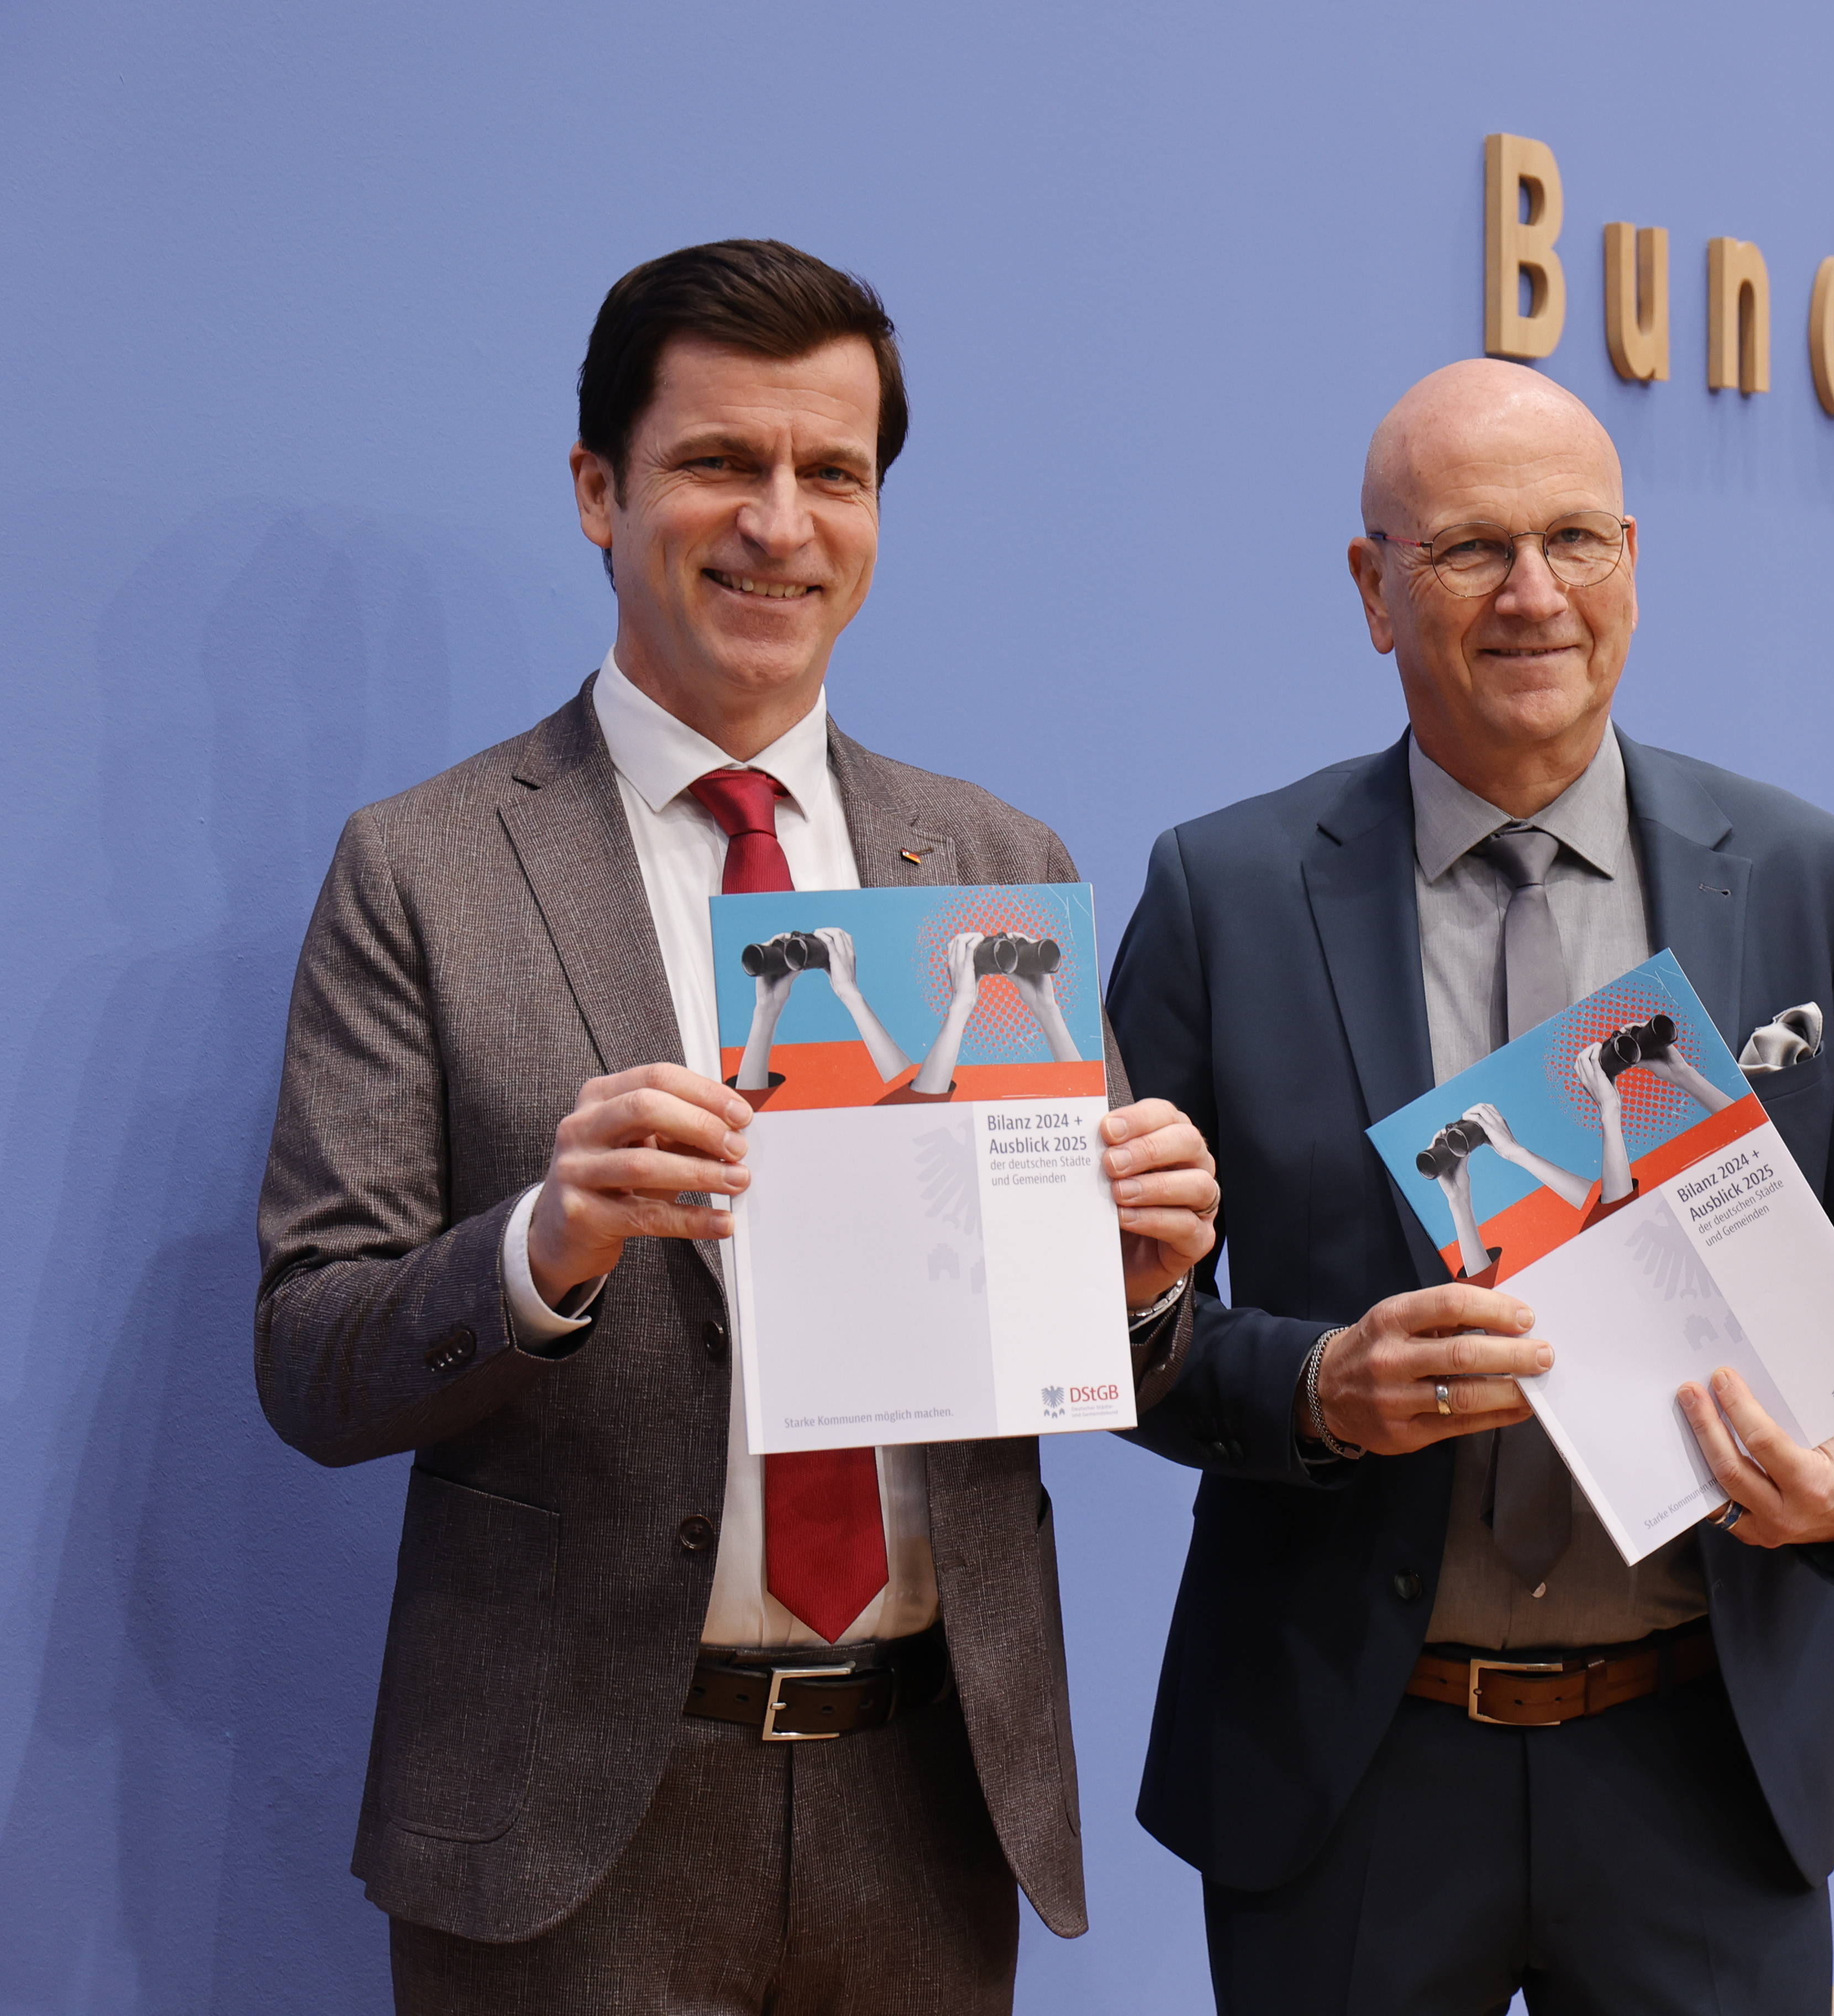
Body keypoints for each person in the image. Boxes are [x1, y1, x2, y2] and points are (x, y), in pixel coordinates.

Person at [254, 239, 1218, 2014]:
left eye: (832, 474)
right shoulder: (426, 870)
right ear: (598, 491)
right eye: (720, 464)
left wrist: (1144, 1285)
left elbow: (1091, 1357)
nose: (781, 522)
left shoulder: (995, 868)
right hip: (572, 1823)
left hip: (929, 1797)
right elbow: (312, 1359)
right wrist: (545, 1250)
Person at [1107, 359, 1834, 2013]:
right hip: (1352, 1769)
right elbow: (1114, 1322)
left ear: (1633, 563)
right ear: (1374, 588)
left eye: (1575, 539)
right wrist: (1313, 1389)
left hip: (1703, 1763)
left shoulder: (1805, 878)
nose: (1533, 595)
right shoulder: (1223, 895)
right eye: (1469, 551)